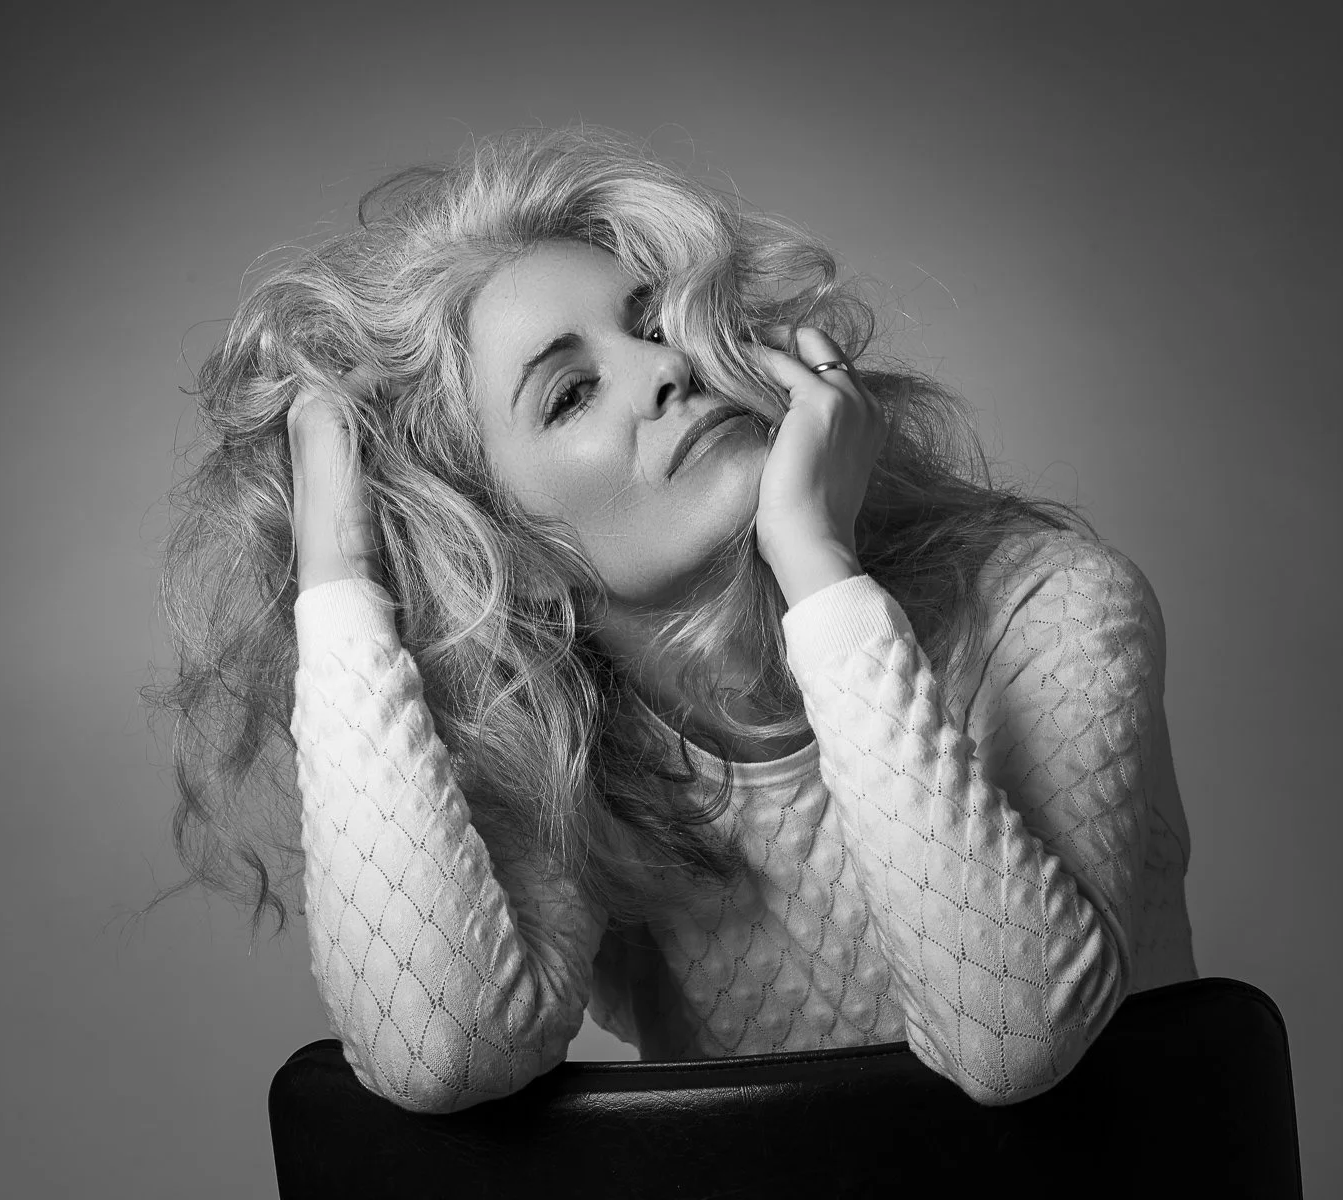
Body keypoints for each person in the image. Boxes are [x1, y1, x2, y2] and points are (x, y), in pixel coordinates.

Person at [150, 125, 1196, 1114]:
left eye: (655, 324)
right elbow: (440, 1055)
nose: (666, 370)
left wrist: (819, 571)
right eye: (568, 394)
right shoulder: (570, 746)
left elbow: (1012, 1042)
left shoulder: (1052, 603)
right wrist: (339, 577)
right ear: (502, 544)